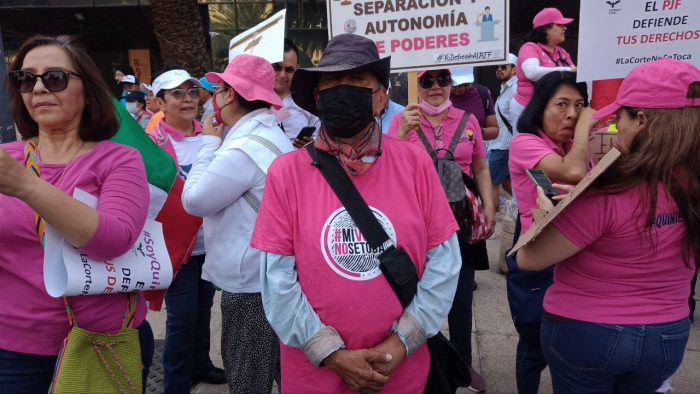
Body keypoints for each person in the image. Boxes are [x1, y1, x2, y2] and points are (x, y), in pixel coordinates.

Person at [251, 33, 461, 393]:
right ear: (317, 97)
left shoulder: (413, 163)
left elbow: (444, 262)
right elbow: (277, 281)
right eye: (332, 82)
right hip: (316, 374)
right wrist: (331, 353)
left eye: (359, 81)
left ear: (381, 97)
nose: (344, 90)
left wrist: (400, 343)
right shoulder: (286, 173)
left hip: (400, 370)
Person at [516, 58, 699, 393]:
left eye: (620, 117)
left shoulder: (609, 193)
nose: (614, 124)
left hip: (589, 331)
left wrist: (544, 215)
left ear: (641, 120)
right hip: (668, 334)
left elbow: (529, 259)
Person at [0, 34, 153, 391]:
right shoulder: (8, 157)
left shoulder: (120, 159)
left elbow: (113, 239)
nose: (38, 89)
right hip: (14, 348)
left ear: (87, 89)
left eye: (54, 77)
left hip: (104, 342)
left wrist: (25, 186)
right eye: (25, 79)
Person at [182, 54, 293, 393]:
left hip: (249, 286)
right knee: (283, 373)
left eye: (217, 89)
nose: (212, 97)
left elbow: (194, 200)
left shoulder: (242, 148)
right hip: (272, 275)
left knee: (247, 380)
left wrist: (209, 142)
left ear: (230, 95)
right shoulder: (269, 134)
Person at [388, 67, 496, 392]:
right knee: (417, 295)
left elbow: (479, 165)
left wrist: (490, 205)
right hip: (417, 222)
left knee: (462, 296)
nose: (436, 87)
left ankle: (461, 364)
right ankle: (426, 360)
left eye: (443, 80)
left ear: (452, 83)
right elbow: (386, 166)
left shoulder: (468, 120)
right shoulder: (402, 120)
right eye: (426, 80)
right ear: (417, 84)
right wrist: (400, 134)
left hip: (460, 221)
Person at [506, 71, 590, 394]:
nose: (572, 114)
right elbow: (573, 171)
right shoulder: (525, 143)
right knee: (534, 346)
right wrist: (584, 130)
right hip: (538, 262)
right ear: (540, 107)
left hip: (574, 259)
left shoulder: (573, 145)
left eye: (580, 106)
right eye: (562, 105)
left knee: (566, 348)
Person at [148, 67, 226, 391]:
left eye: (192, 92)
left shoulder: (215, 132)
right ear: (160, 101)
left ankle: (201, 364)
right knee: (182, 317)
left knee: (204, 308)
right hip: (175, 249)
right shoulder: (151, 143)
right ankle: (176, 383)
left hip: (209, 244)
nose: (187, 99)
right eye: (177, 93)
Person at [511, 7, 576, 132]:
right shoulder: (529, 47)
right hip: (527, 107)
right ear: (546, 28)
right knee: (528, 146)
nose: (565, 28)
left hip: (552, 109)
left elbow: (572, 74)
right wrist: (566, 69)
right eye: (560, 24)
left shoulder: (561, 51)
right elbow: (532, 73)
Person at [272, 38, 320, 148]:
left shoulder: (307, 101)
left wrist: (312, 143)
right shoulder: (252, 101)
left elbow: (321, 136)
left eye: (289, 70)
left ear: (297, 69)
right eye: (277, 68)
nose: (283, 75)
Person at [491, 53, 518, 209]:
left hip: (504, 146)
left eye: (503, 67)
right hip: (504, 144)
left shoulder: (515, 89)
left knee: (491, 183)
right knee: (507, 181)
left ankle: (490, 219)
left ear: (514, 69)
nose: (498, 70)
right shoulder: (506, 88)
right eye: (496, 67)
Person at [450, 66, 499, 140]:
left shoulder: (482, 92)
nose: (460, 89)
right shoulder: (437, 94)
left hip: (475, 148)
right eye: (455, 85)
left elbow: (494, 131)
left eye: (466, 84)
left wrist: (476, 131)